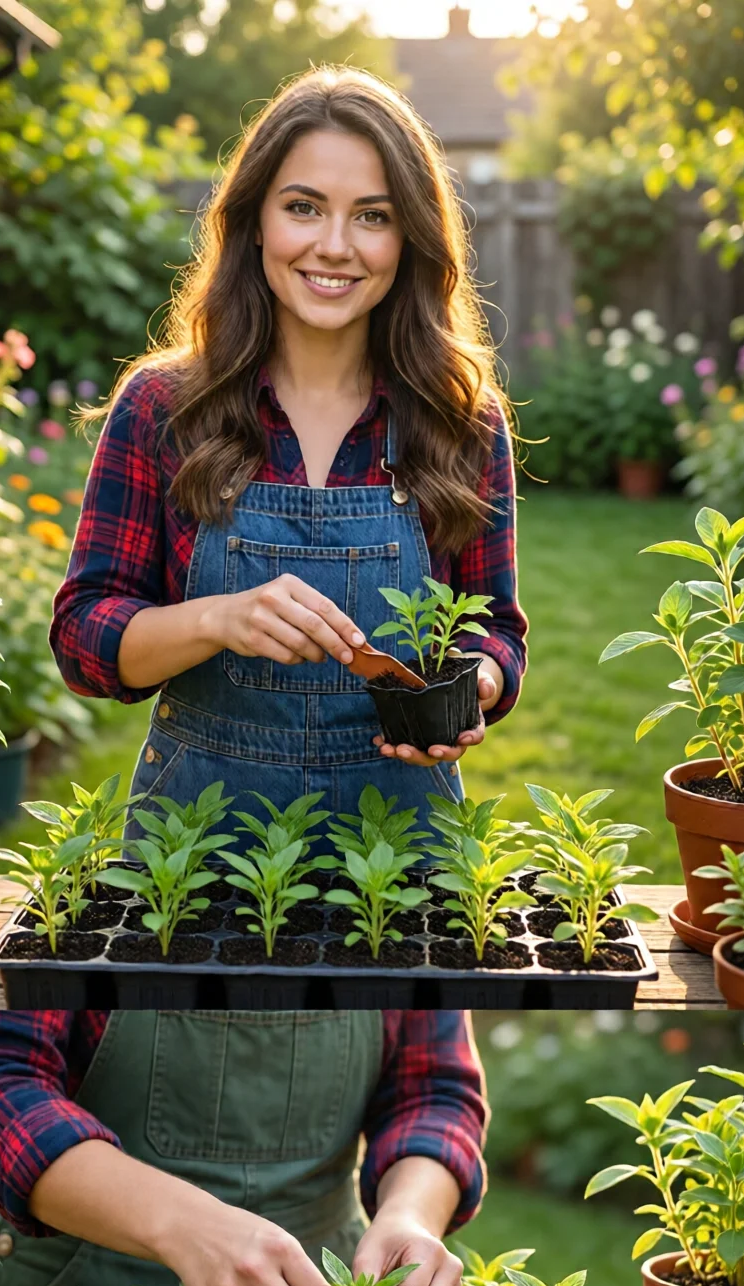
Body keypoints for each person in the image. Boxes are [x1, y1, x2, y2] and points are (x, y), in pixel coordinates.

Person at [53, 65, 527, 834]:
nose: (334, 247)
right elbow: (83, 641)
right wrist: (218, 620)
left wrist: (473, 683)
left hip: (400, 845)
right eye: (303, 207)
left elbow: (497, 630)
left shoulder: (460, 419)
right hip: (198, 844)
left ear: (410, 237)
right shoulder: (163, 409)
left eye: (372, 216)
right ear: (255, 222)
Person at [0, 1008, 487, 1286]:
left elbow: (435, 1090)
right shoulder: (81, 880)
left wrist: (410, 1215)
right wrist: (183, 1224)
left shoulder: (409, 892)